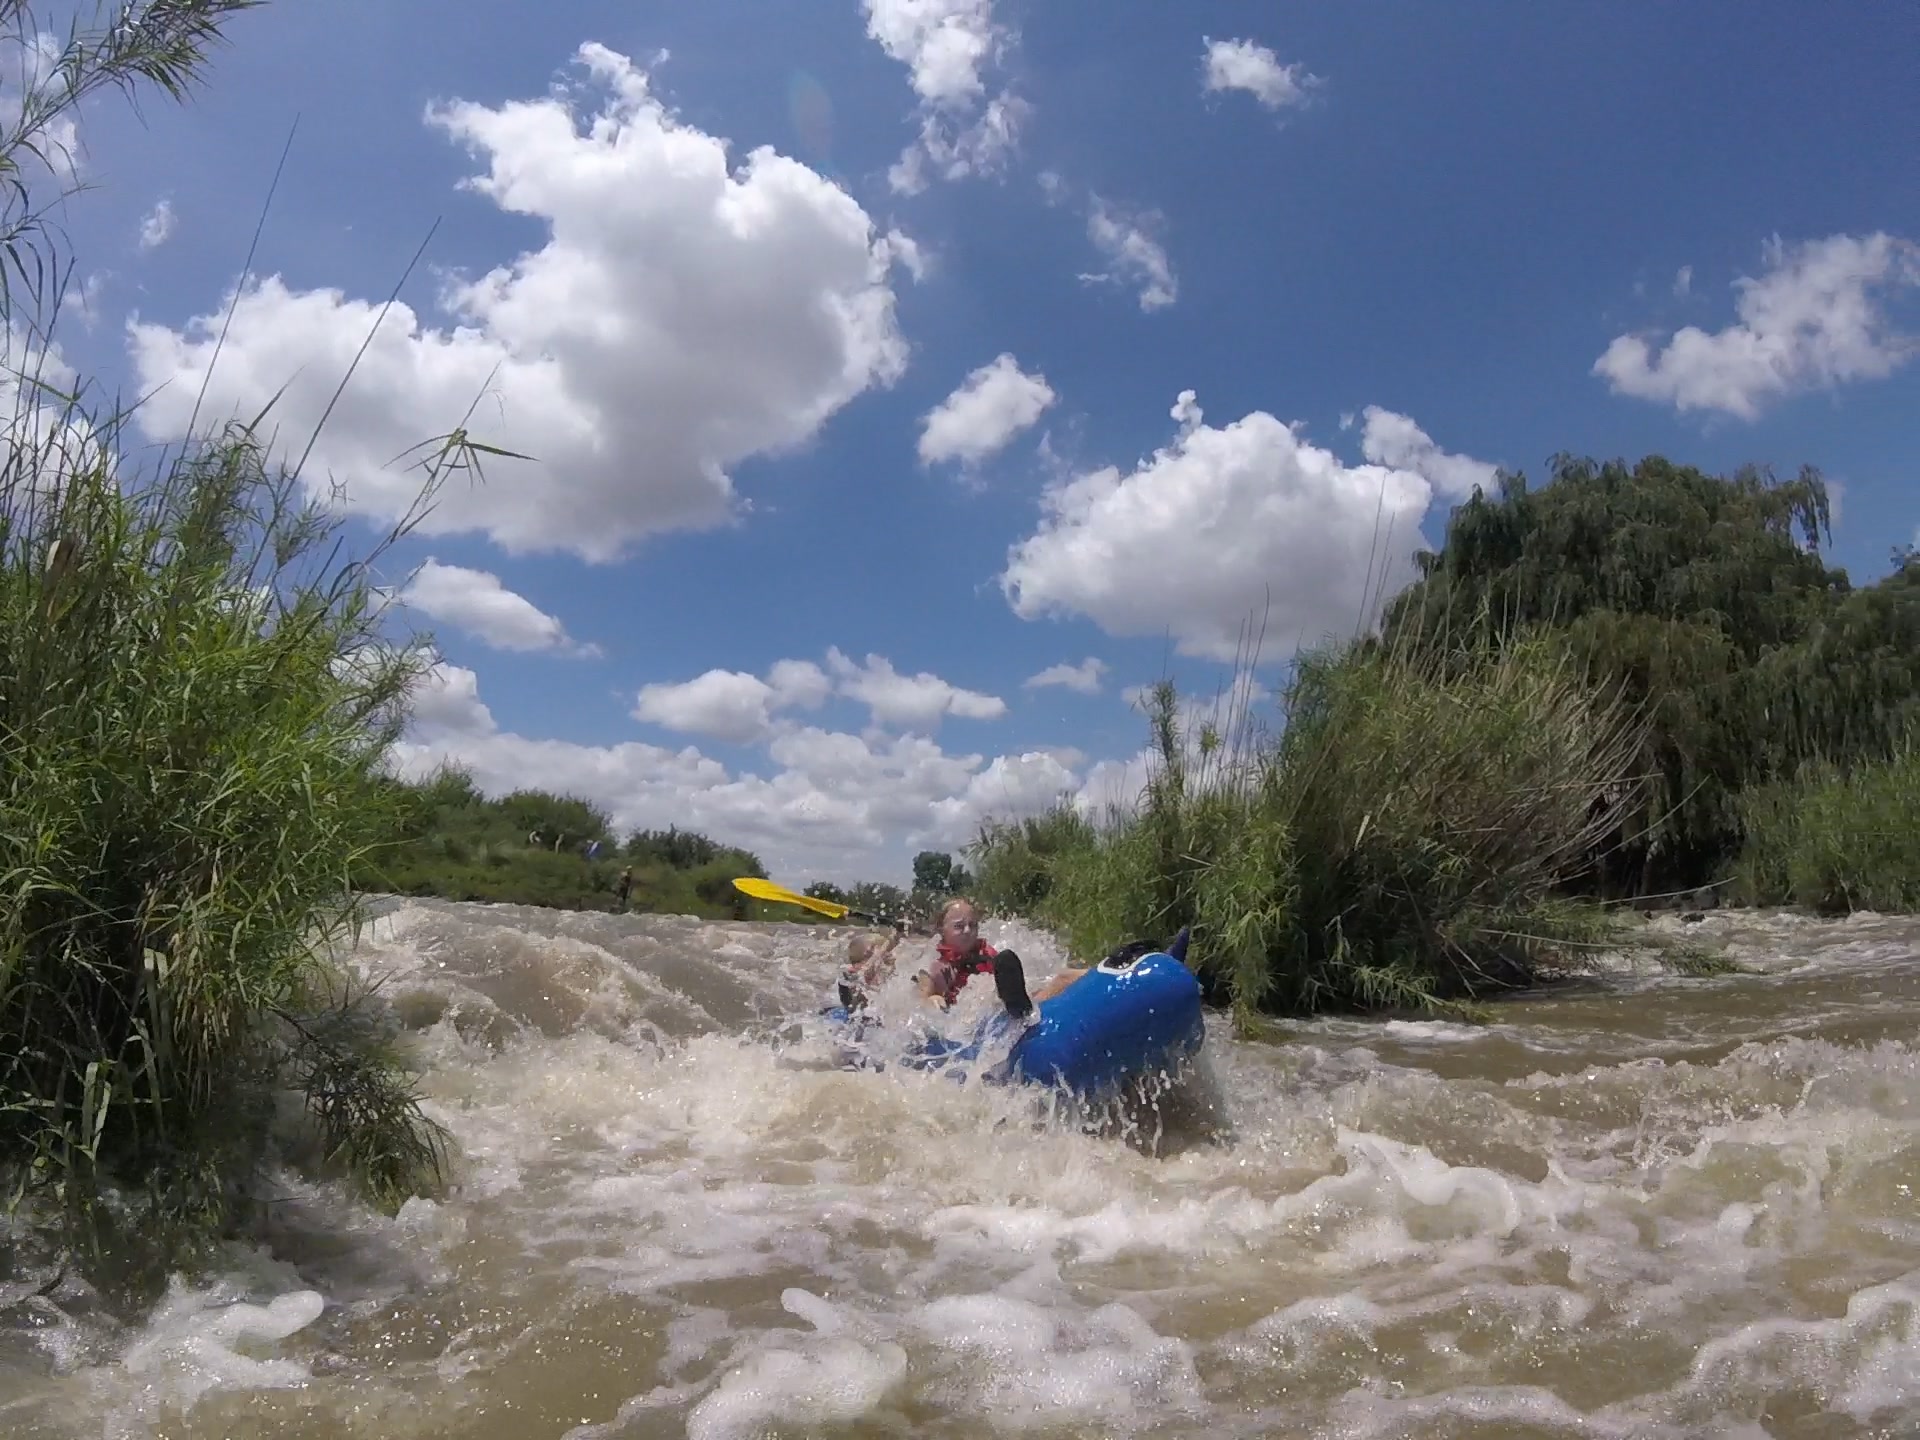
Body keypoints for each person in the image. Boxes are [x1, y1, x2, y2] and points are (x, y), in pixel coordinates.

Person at [837, 926, 903, 1011]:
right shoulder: (854, 977)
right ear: (856, 967)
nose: (887, 969)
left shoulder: (893, 990)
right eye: (883, 962)